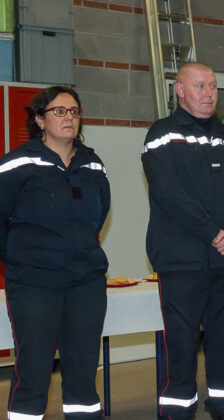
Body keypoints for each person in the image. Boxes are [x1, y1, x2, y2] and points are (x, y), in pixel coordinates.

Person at [141, 62, 224, 420]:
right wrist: (213, 234)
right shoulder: (162, 135)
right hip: (182, 261)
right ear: (179, 90)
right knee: (181, 348)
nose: (209, 94)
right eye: (199, 86)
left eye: (213, 86)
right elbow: (170, 194)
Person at [0, 86, 110, 419]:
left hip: (85, 283)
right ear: (39, 119)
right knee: (34, 371)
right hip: (34, 284)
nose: (68, 118)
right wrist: (25, 259)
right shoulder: (16, 164)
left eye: (74, 112)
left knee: (82, 370)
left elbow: (99, 214)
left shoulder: (92, 165)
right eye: (59, 111)